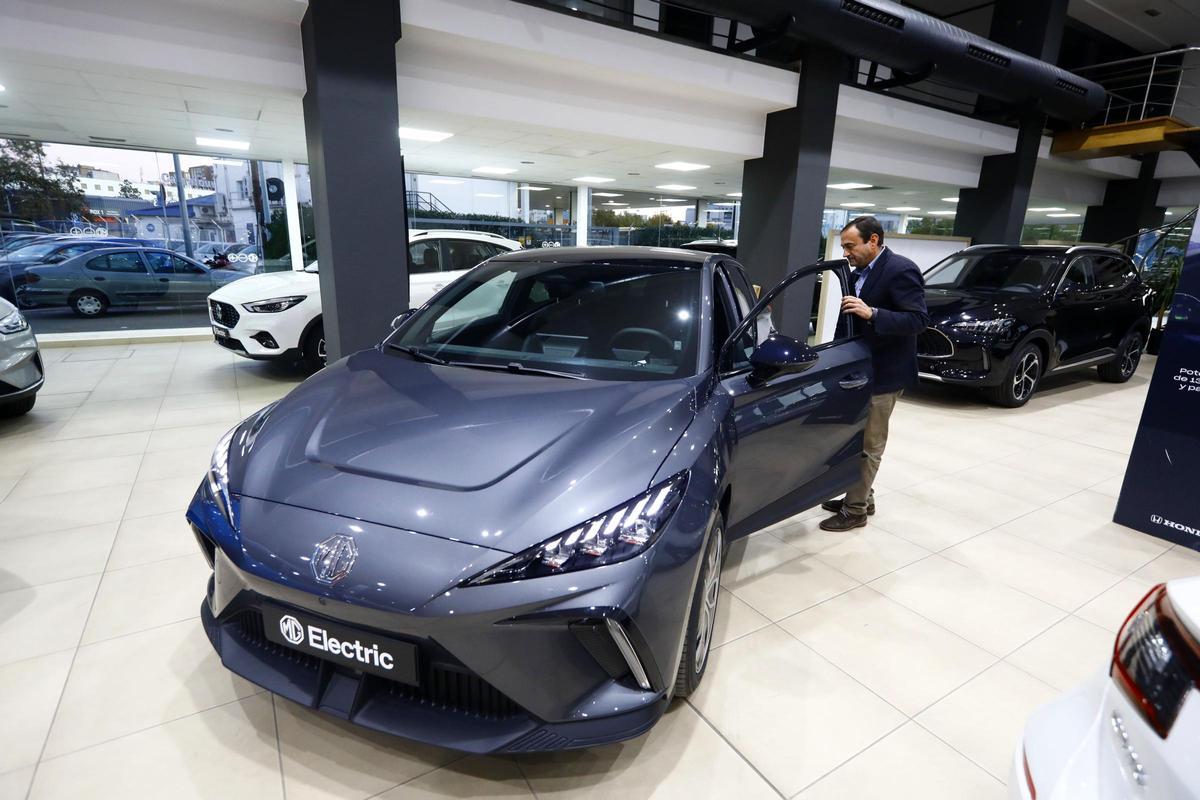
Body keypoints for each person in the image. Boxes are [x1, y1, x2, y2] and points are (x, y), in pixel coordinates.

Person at [819, 216, 929, 532]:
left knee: (870, 444)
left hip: (885, 373)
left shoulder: (900, 269)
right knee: (855, 437)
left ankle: (855, 511)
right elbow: (850, 319)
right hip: (859, 371)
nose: (846, 252)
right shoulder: (856, 273)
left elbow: (918, 320)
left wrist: (874, 313)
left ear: (874, 241)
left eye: (850, 246)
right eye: (844, 246)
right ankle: (862, 496)